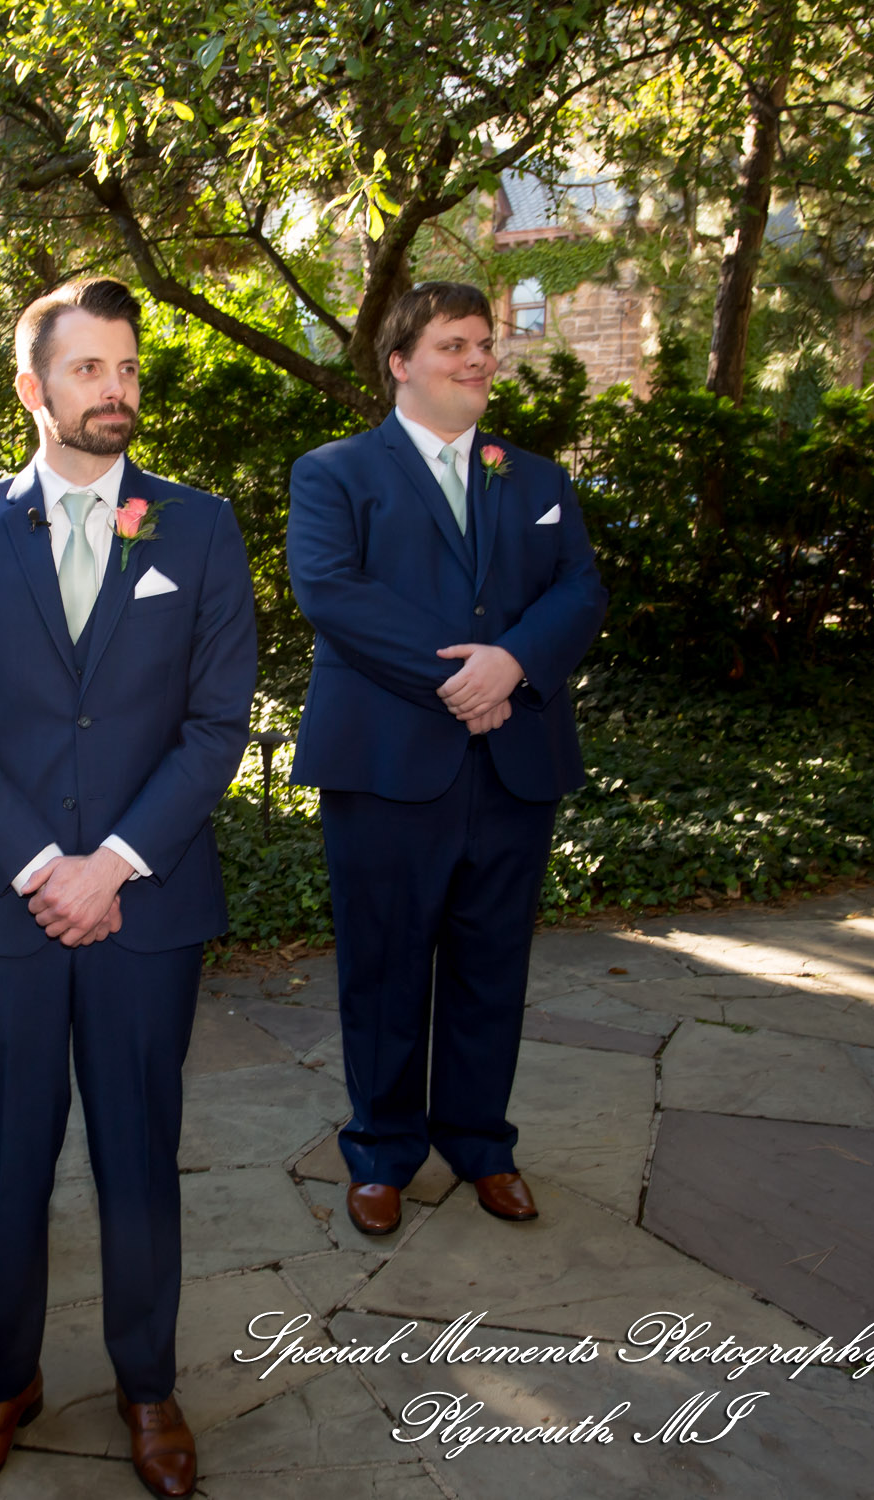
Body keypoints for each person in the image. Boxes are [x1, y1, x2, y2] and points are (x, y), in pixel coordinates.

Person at [0, 279, 257, 1499]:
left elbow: (218, 726)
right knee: (6, 1156)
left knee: (138, 1152)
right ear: (32, 389)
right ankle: (1, 1383)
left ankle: (148, 1386)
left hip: (148, 906)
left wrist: (113, 864)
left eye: (127, 368)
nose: (116, 390)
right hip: (5, 910)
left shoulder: (199, 528)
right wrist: (40, 869)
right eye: (89, 369)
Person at [286, 282, 608, 1238]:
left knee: (490, 966)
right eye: (453, 345)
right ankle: (381, 1153)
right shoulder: (335, 473)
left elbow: (579, 590)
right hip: (385, 762)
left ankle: (481, 1146)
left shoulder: (537, 480)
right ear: (399, 361)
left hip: (514, 763)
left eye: (483, 343)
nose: (477, 359)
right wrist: (462, 678)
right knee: (383, 968)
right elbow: (331, 593)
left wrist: (513, 662)